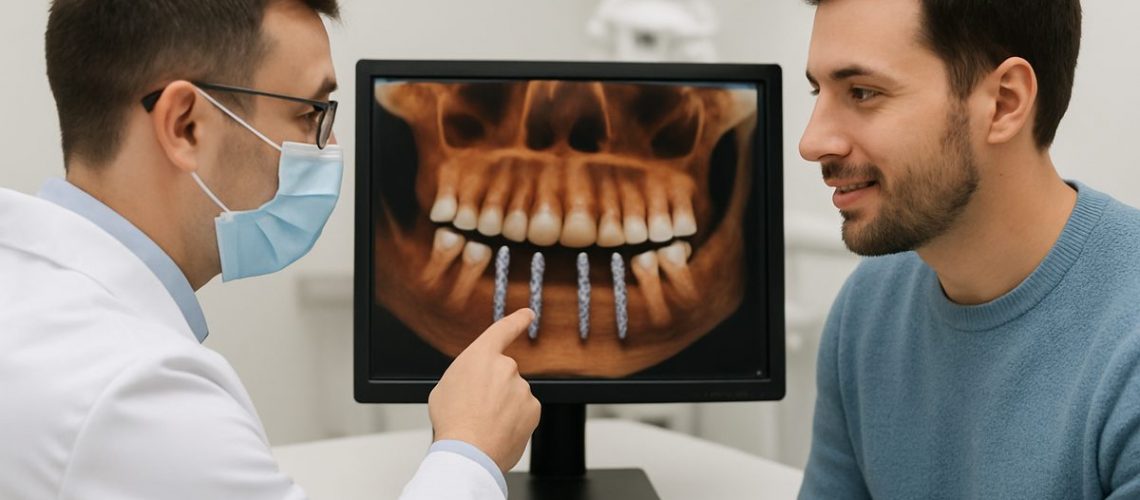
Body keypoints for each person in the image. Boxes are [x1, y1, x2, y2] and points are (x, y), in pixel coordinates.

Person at [0, 1, 540, 499]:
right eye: (310, 114)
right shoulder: (139, 394)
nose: (328, 149)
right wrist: (470, 449)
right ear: (186, 125)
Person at [796, 0, 1140, 498]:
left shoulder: (1127, 348)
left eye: (863, 93)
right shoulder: (865, 312)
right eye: (818, 91)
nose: (812, 141)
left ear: (1003, 102)